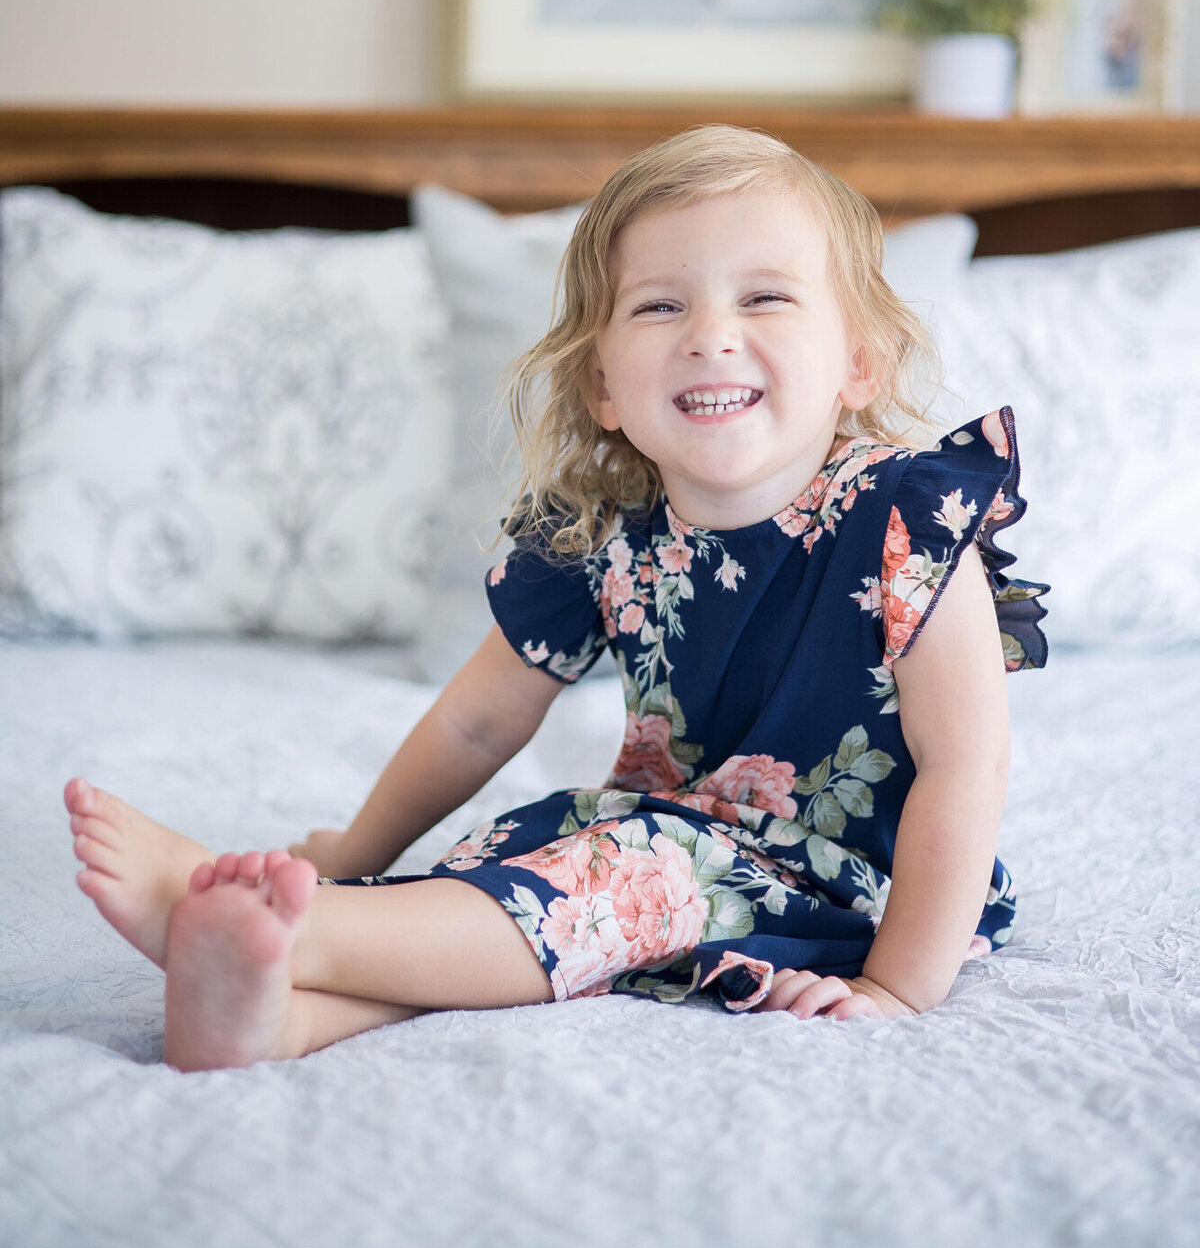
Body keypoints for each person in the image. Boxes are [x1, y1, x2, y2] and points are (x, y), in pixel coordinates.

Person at [64, 126, 1048, 1071]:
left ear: (858, 363)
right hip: (676, 840)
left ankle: (287, 929)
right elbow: (477, 725)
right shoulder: (605, 530)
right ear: (604, 384)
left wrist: (895, 988)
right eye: (661, 307)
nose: (711, 335)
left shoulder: (905, 517)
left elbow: (969, 763)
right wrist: (349, 849)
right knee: (524, 852)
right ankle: (273, 1017)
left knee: (627, 872)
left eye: (765, 298)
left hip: (863, 888)